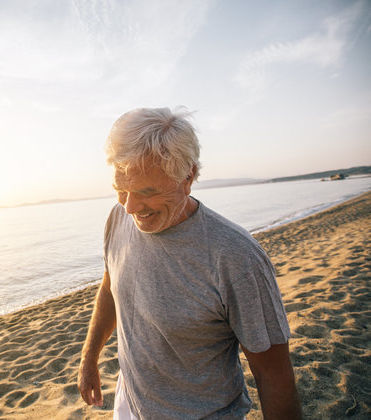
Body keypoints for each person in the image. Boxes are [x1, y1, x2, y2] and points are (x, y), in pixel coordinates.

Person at [77, 108, 302, 419]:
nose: (129, 207)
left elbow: (273, 375)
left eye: (147, 192)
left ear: (188, 177)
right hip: (130, 404)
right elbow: (110, 284)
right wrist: (89, 358)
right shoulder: (118, 219)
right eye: (121, 190)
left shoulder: (237, 258)